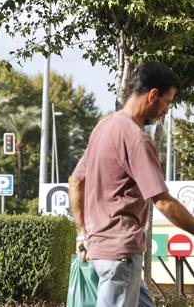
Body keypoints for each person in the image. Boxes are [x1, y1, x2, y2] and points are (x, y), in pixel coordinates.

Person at [69, 62, 194, 307]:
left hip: (102, 249)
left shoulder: (104, 127)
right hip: (121, 253)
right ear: (153, 95)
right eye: (168, 102)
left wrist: (82, 234)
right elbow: (164, 202)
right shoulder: (136, 139)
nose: (167, 110)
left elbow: (75, 181)